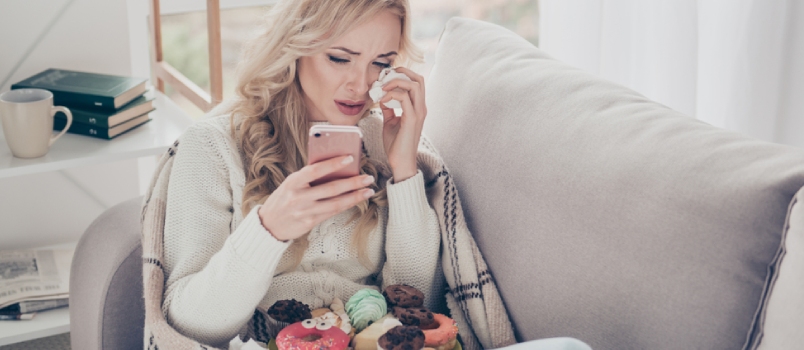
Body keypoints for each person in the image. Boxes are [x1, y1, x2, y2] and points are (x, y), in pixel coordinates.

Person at [157, 0, 592, 349]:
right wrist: (270, 229)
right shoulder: (213, 147)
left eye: (379, 63)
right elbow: (194, 325)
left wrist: (404, 172)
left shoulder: (381, 135)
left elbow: (418, 297)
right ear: (295, 47)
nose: (361, 85)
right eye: (340, 58)